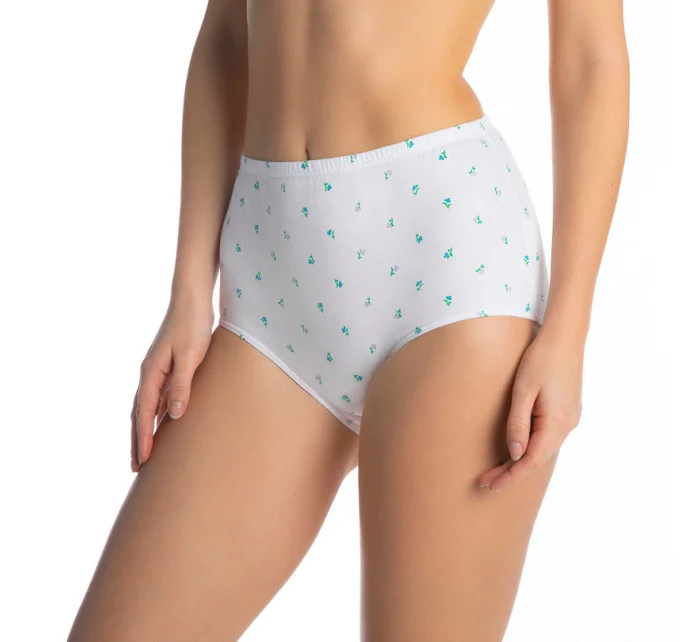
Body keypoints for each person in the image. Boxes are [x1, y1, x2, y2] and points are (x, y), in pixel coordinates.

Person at [68, 0, 629, 639]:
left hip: (448, 271)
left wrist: (570, 329)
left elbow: (590, 58)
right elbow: (226, 37)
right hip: (269, 290)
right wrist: (190, 289)